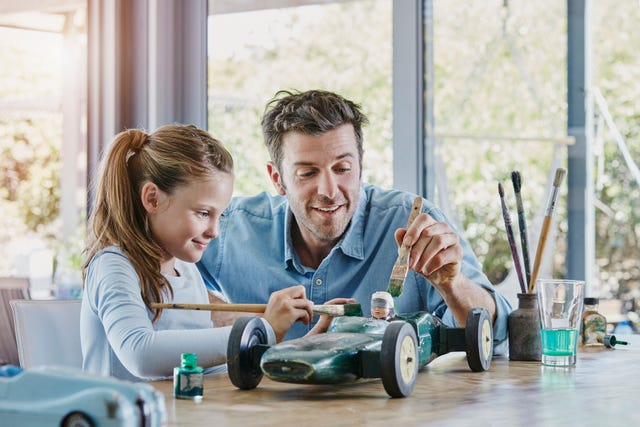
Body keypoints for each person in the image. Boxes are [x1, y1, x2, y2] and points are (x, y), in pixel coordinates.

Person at [197, 89, 512, 352]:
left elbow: (497, 335)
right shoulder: (231, 228)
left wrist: (454, 285)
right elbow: (155, 278)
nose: (329, 191)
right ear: (278, 179)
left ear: (361, 166)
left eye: (342, 168)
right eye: (307, 173)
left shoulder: (412, 223)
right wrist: (239, 322)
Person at [80, 124, 317, 382]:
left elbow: (211, 369)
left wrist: (306, 347)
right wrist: (263, 329)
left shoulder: (185, 269)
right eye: (203, 213)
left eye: (220, 215)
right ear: (152, 199)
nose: (214, 231)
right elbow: (141, 354)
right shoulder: (113, 266)